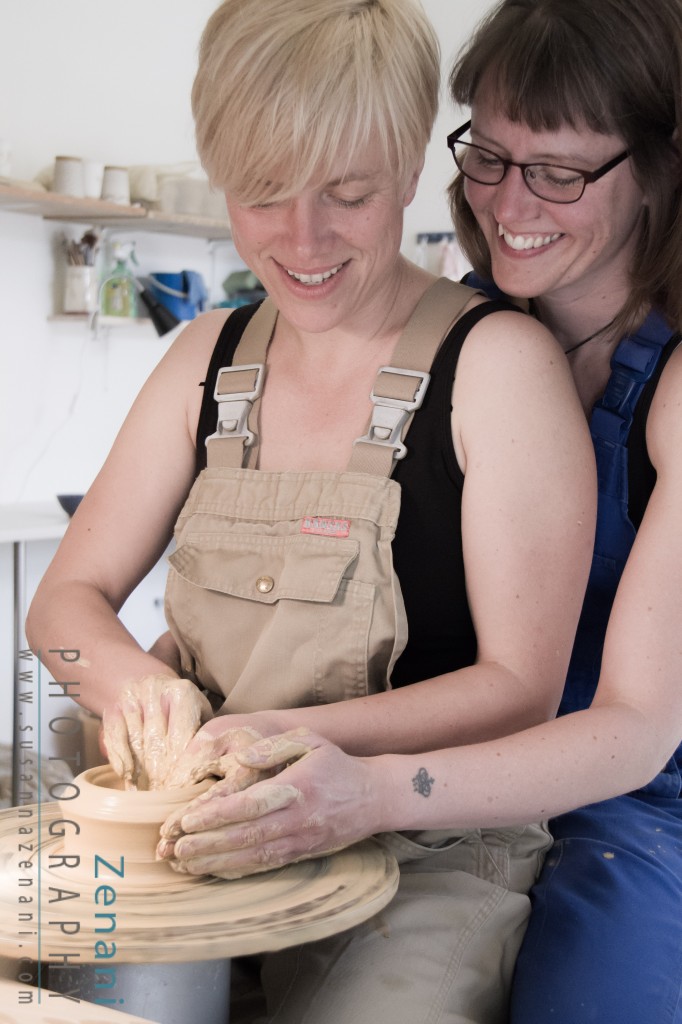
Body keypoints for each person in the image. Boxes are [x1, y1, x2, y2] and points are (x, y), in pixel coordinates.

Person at [26, 1, 595, 1021]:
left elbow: (519, 688)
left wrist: (270, 735)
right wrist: (133, 685)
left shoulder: (498, 366)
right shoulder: (203, 357)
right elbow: (66, 601)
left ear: (412, 167)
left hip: (421, 845)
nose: (302, 239)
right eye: (263, 195)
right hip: (188, 820)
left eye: (347, 194)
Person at [164, 1, 682, 1021]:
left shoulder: (669, 382)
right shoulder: (463, 339)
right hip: (436, 775)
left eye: (559, 172)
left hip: (630, 794)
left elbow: (630, 730)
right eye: (487, 155)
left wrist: (370, 786)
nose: (506, 202)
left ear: (659, 169)